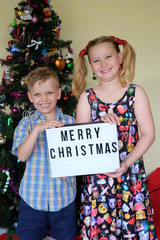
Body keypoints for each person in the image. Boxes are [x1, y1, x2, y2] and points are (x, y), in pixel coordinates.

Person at [72, 36, 157, 239]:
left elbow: (148, 134)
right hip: (98, 180)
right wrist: (98, 125)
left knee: (132, 229)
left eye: (108, 56)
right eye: (96, 60)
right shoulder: (87, 98)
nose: (103, 64)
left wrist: (126, 163)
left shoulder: (136, 93)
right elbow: (78, 141)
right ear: (91, 66)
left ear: (120, 58)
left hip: (130, 176)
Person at [11, 67, 78, 240]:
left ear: (57, 93)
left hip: (64, 197)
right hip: (33, 198)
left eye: (49, 92)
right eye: (38, 94)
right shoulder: (26, 124)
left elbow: (82, 158)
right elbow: (22, 156)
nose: (44, 99)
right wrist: (36, 130)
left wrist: (71, 169)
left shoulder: (72, 123)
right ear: (30, 97)